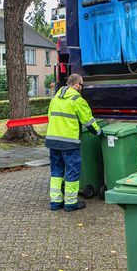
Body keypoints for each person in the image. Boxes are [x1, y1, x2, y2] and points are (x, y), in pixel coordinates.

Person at [45, 73, 101, 212]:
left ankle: (55, 202)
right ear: (76, 84)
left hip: (53, 141)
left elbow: (50, 118)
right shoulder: (77, 99)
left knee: (56, 171)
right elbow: (88, 121)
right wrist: (99, 132)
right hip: (69, 142)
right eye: (81, 85)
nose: (82, 88)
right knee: (72, 171)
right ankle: (70, 203)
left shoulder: (55, 98)